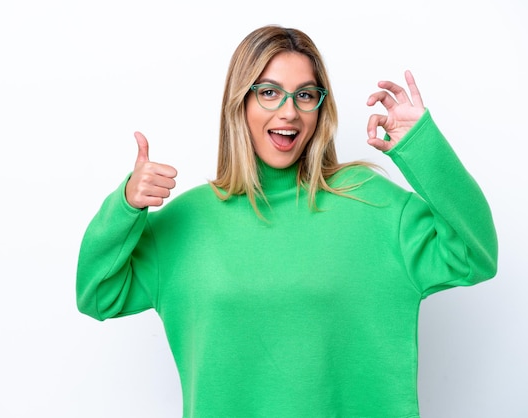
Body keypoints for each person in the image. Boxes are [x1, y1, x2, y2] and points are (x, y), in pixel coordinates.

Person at [76, 25, 498, 417]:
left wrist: (424, 148)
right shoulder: (188, 221)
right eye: (269, 92)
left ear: (320, 108)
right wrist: (126, 206)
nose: (289, 112)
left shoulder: (371, 202)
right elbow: (97, 295)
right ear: (239, 103)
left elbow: (476, 256)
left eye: (305, 94)